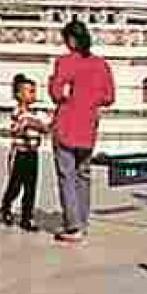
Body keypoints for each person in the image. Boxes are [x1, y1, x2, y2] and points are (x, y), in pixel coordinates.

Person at [48, 19, 114, 243]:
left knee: (67, 175)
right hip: (88, 125)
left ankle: (73, 225)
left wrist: (67, 94)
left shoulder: (65, 62)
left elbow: (56, 93)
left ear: (72, 40)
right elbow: (108, 98)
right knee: (83, 175)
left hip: (66, 123)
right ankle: (82, 221)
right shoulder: (101, 65)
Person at [0, 75, 48, 231]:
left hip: (32, 153)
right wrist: (35, 123)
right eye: (29, 91)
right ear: (19, 94)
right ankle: (6, 207)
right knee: (15, 184)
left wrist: (36, 123)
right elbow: (20, 125)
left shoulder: (36, 113)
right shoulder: (18, 111)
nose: (32, 95)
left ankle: (27, 217)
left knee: (30, 187)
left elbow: (45, 127)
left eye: (34, 92)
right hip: (19, 153)